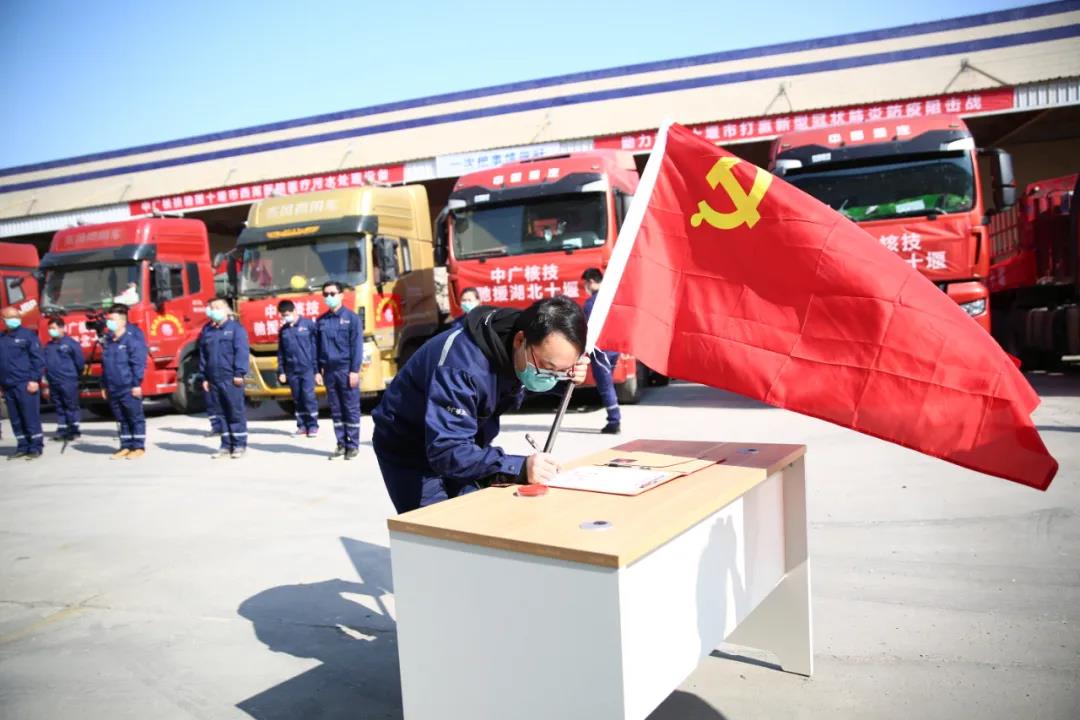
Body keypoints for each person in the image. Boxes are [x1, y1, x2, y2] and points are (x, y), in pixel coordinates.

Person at [372, 296, 590, 513]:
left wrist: (566, 378)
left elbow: (530, 380)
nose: (551, 375)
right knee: (436, 523)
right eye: (547, 367)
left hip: (464, 444)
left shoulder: (521, 345)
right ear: (519, 341)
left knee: (475, 512)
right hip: (413, 447)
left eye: (560, 370)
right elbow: (446, 450)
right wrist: (520, 467)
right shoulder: (461, 367)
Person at [316, 281, 363, 460]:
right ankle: (341, 443)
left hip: (346, 370)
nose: (329, 297)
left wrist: (354, 370)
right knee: (335, 409)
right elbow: (317, 348)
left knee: (350, 408)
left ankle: (353, 444)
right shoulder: (321, 321)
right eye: (325, 294)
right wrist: (317, 371)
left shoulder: (352, 319)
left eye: (332, 294)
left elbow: (356, 346)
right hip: (329, 371)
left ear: (341, 295)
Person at [199, 298, 250, 459]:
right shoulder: (208, 330)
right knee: (220, 413)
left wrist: (239, 373)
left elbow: (241, 352)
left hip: (231, 378)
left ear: (226, 310)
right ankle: (226, 445)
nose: (213, 310)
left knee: (235, 412)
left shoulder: (236, 329)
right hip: (214, 379)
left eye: (217, 307)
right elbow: (203, 356)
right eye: (211, 307)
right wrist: (204, 377)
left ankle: (239, 444)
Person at [101, 304, 148, 459]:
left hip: (128, 386)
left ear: (122, 321)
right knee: (121, 419)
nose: (109, 322)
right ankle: (126, 446)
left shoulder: (131, 340)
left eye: (113, 319)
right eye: (109, 319)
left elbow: (138, 364)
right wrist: (103, 385)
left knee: (135, 417)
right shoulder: (108, 341)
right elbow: (105, 365)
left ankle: (138, 446)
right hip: (113, 387)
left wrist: (136, 384)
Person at [0, 306, 45, 460]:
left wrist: (34, 379)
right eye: (8, 317)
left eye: (15, 316)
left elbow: (37, 359)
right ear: (3, 320)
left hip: (24, 383)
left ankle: (35, 446)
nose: (12, 319)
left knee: (30, 416)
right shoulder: (2, 338)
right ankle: (22, 446)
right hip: (8, 385)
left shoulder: (28, 336)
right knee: (15, 418)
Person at [582, 268, 621, 435]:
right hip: (614, 348)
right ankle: (614, 418)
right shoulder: (611, 299)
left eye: (585, 284)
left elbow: (588, 329)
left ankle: (614, 421)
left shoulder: (591, 303)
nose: (585, 287)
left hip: (600, 351)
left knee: (605, 386)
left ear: (591, 281)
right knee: (608, 384)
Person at [276, 299, 319, 438]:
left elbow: (316, 348)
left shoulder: (308, 325)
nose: (285, 317)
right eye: (283, 315)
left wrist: (317, 370)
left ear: (294, 311)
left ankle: (312, 425)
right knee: (297, 398)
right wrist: (281, 371)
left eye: (287, 314)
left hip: (307, 368)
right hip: (292, 370)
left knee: (308, 397)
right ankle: (302, 426)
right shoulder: (284, 331)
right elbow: (281, 353)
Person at [43, 316, 85, 442]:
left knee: (70, 405)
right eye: (49, 328)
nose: (51, 331)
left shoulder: (70, 343)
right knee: (59, 406)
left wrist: (72, 374)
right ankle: (62, 430)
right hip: (54, 381)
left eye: (54, 328)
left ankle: (73, 430)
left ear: (62, 328)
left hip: (68, 380)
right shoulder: (49, 346)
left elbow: (79, 362)